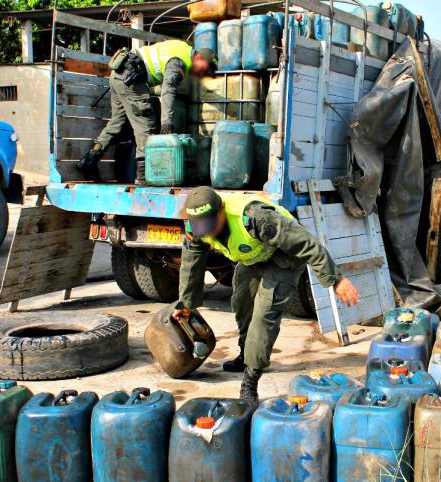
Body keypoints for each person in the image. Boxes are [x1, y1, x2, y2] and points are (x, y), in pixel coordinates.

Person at [174, 187, 361, 404]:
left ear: (222, 209)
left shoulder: (255, 218)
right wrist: (186, 304)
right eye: (201, 227)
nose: (207, 233)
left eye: (210, 225)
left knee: (265, 312)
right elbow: (191, 263)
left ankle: (250, 380)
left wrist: (335, 279)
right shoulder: (197, 228)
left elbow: (306, 243)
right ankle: (246, 355)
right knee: (242, 303)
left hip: (284, 257)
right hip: (254, 257)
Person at [77, 40, 214, 184]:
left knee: (117, 123)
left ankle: (89, 161)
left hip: (119, 74)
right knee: (146, 124)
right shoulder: (180, 62)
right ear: (199, 59)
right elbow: (168, 89)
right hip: (131, 77)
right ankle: (142, 176)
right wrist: (167, 121)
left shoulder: (181, 47)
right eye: (205, 68)